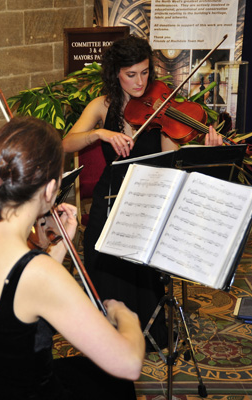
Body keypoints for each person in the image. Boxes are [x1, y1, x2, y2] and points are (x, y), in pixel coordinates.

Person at [0, 116, 145, 400]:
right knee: (118, 383)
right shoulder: (36, 273)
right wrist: (126, 316)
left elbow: (16, 308)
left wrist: (60, 244)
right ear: (51, 189)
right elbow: (129, 364)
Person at [61, 35, 223, 349]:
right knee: (102, 259)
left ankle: (145, 331)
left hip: (148, 195)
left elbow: (170, 159)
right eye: (131, 74)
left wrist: (204, 148)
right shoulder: (102, 106)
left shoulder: (162, 105)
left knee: (142, 268)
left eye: (146, 72)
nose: (140, 82)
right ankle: (105, 330)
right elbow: (67, 143)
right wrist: (100, 133)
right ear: (115, 73)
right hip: (111, 196)